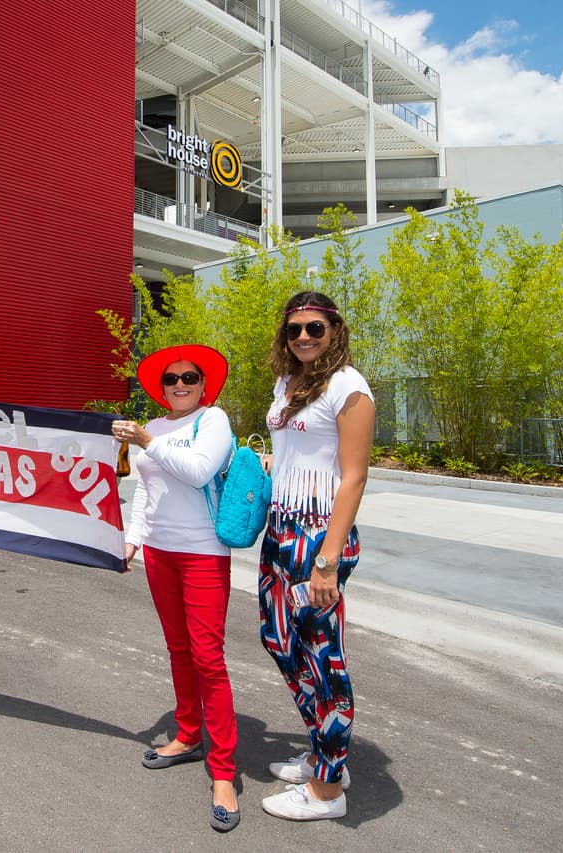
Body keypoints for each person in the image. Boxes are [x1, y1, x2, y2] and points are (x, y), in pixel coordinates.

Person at [257, 291, 375, 823]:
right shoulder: (288, 383)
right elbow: (300, 449)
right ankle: (325, 754)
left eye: (314, 328)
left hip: (318, 538)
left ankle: (328, 789)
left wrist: (327, 560)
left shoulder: (348, 386)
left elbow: (354, 477)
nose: (303, 337)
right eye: (294, 329)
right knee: (279, 640)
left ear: (334, 330)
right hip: (281, 528)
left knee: (323, 656)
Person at [113, 344, 240, 833]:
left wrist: (146, 440)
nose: (180, 384)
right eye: (171, 378)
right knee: (178, 648)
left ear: (204, 385)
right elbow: (146, 489)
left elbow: (198, 471)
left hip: (204, 552)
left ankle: (224, 772)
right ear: (161, 387)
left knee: (208, 657)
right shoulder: (156, 426)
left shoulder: (213, 421)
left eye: (189, 377)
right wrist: (132, 539)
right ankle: (188, 734)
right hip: (159, 553)